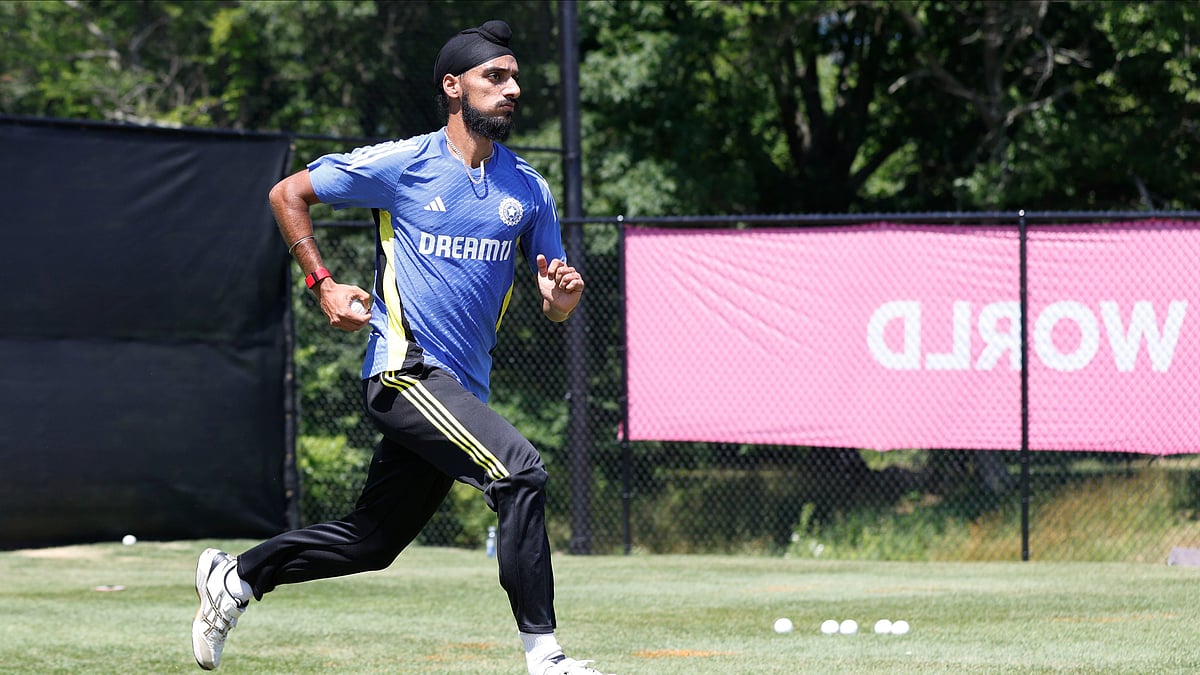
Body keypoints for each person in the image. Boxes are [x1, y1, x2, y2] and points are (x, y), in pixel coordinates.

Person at [190, 20, 612, 675]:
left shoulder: (529, 189)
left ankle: (237, 577)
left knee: (373, 540)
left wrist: (564, 293)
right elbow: (287, 194)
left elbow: (555, 302)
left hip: (461, 391)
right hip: (404, 373)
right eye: (494, 77)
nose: (512, 89)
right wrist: (323, 285)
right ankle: (546, 655)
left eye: (515, 77)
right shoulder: (405, 163)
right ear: (453, 87)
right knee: (519, 469)